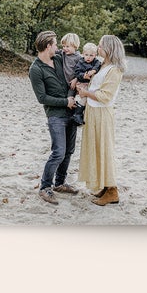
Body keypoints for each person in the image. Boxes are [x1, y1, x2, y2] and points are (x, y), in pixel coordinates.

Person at [28, 30, 80, 206]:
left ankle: (60, 183)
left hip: (72, 112)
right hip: (55, 115)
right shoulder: (35, 69)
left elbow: (76, 59)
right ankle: (45, 187)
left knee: (69, 151)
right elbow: (42, 98)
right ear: (48, 46)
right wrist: (65, 101)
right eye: (56, 44)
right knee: (58, 152)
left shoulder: (59, 58)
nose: (58, 47)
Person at [74, 35, 126, 205]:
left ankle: (112, 190)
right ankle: (104, 186)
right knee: (96, 149)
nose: (98, 47)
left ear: (109, 48)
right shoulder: (102, 65)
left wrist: (85, 93)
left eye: (100, 45)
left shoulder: (115, 69)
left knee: (104, 149)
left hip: (102, 113)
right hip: (93, 111)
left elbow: (105, 95)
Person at [70, 42, 102, 126]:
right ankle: (77, 114)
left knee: (88, 99)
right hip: (82, 83)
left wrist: (93, 70)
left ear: (95, 55)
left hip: (90, 84)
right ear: (83, 54)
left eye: (91, 55)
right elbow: (77, 73)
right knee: (85, 98)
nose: (88, 57)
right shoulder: (81, 62)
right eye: (86, 55)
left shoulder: (96, 62)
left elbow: (98, 65)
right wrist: (83, 76)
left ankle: (80, 113)